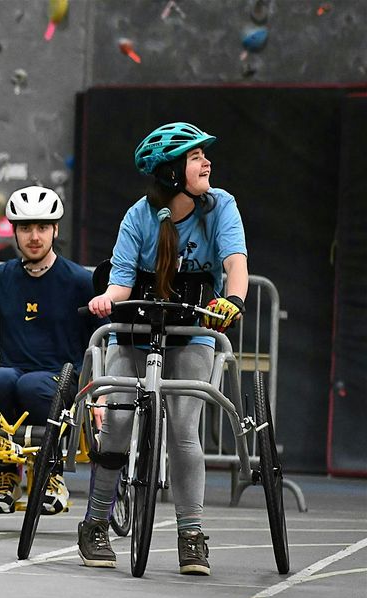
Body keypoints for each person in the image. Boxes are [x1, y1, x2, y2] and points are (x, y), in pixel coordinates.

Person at [82, 122, 248, 574]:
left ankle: (191, 534)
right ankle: (95, 524)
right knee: (115, 424)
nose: (206, 162)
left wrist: (233, 300)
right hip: (134, 334)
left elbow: (235, 266)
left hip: (191, 332)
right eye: (196, 157)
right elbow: (118, 286)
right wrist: (104, 299)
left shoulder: (221, 207)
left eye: (204, 156)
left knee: (183, 430)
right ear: (173, 172)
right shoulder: (137, 217)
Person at [0, 186, 98, 515]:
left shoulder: (80, 281)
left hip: (61, 378)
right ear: (15, 232)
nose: (34, 236)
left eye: (42, 227)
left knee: (31, 385)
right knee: (0, 381)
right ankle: (6, 474)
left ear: (55, 230)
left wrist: (99, 397)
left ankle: (50, 474)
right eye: (25, 228)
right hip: (13, 372)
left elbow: (99, 344)